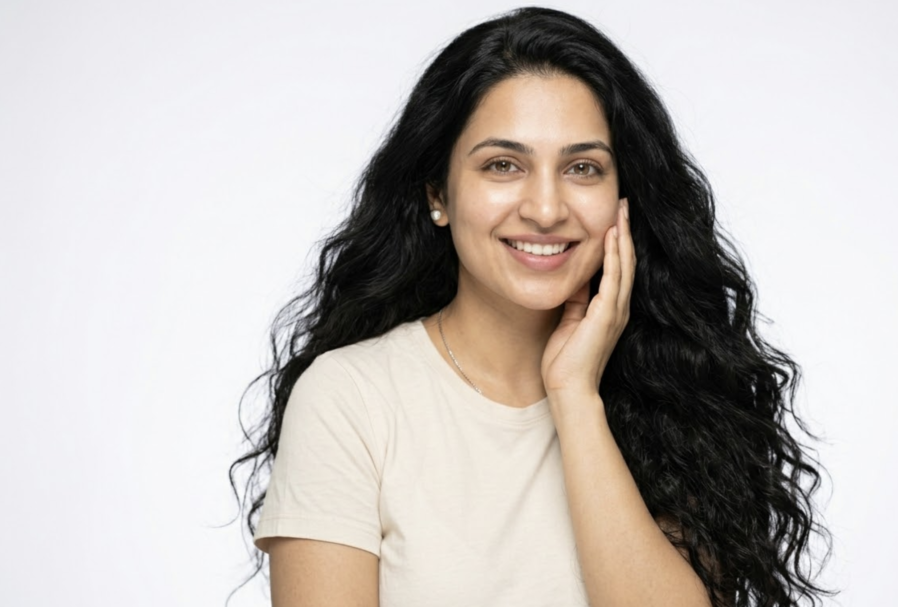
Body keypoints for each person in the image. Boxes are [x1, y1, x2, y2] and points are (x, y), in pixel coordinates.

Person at [229, 6, 836, 607]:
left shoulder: (678, 396)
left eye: (582, 168)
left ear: (625, 197)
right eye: (503, 165)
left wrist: (576, 398)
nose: (545, 209)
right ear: (438, 193)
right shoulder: (350, 399)